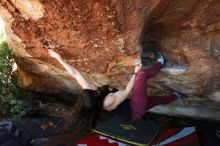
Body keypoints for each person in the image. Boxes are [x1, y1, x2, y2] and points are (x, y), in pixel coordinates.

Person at [48, 46, 181, 131]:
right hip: (136, 111)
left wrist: (59, 59)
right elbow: (128, 89)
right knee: (142, 74)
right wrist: (136, 71)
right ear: (96, 95)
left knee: (157, 100)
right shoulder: (107, 101)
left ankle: (177, 96)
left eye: (87, 87)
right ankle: (161, 63)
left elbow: (75, 74)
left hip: (130, 106)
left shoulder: (90, 94)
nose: (89, 85)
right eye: (90, 88)